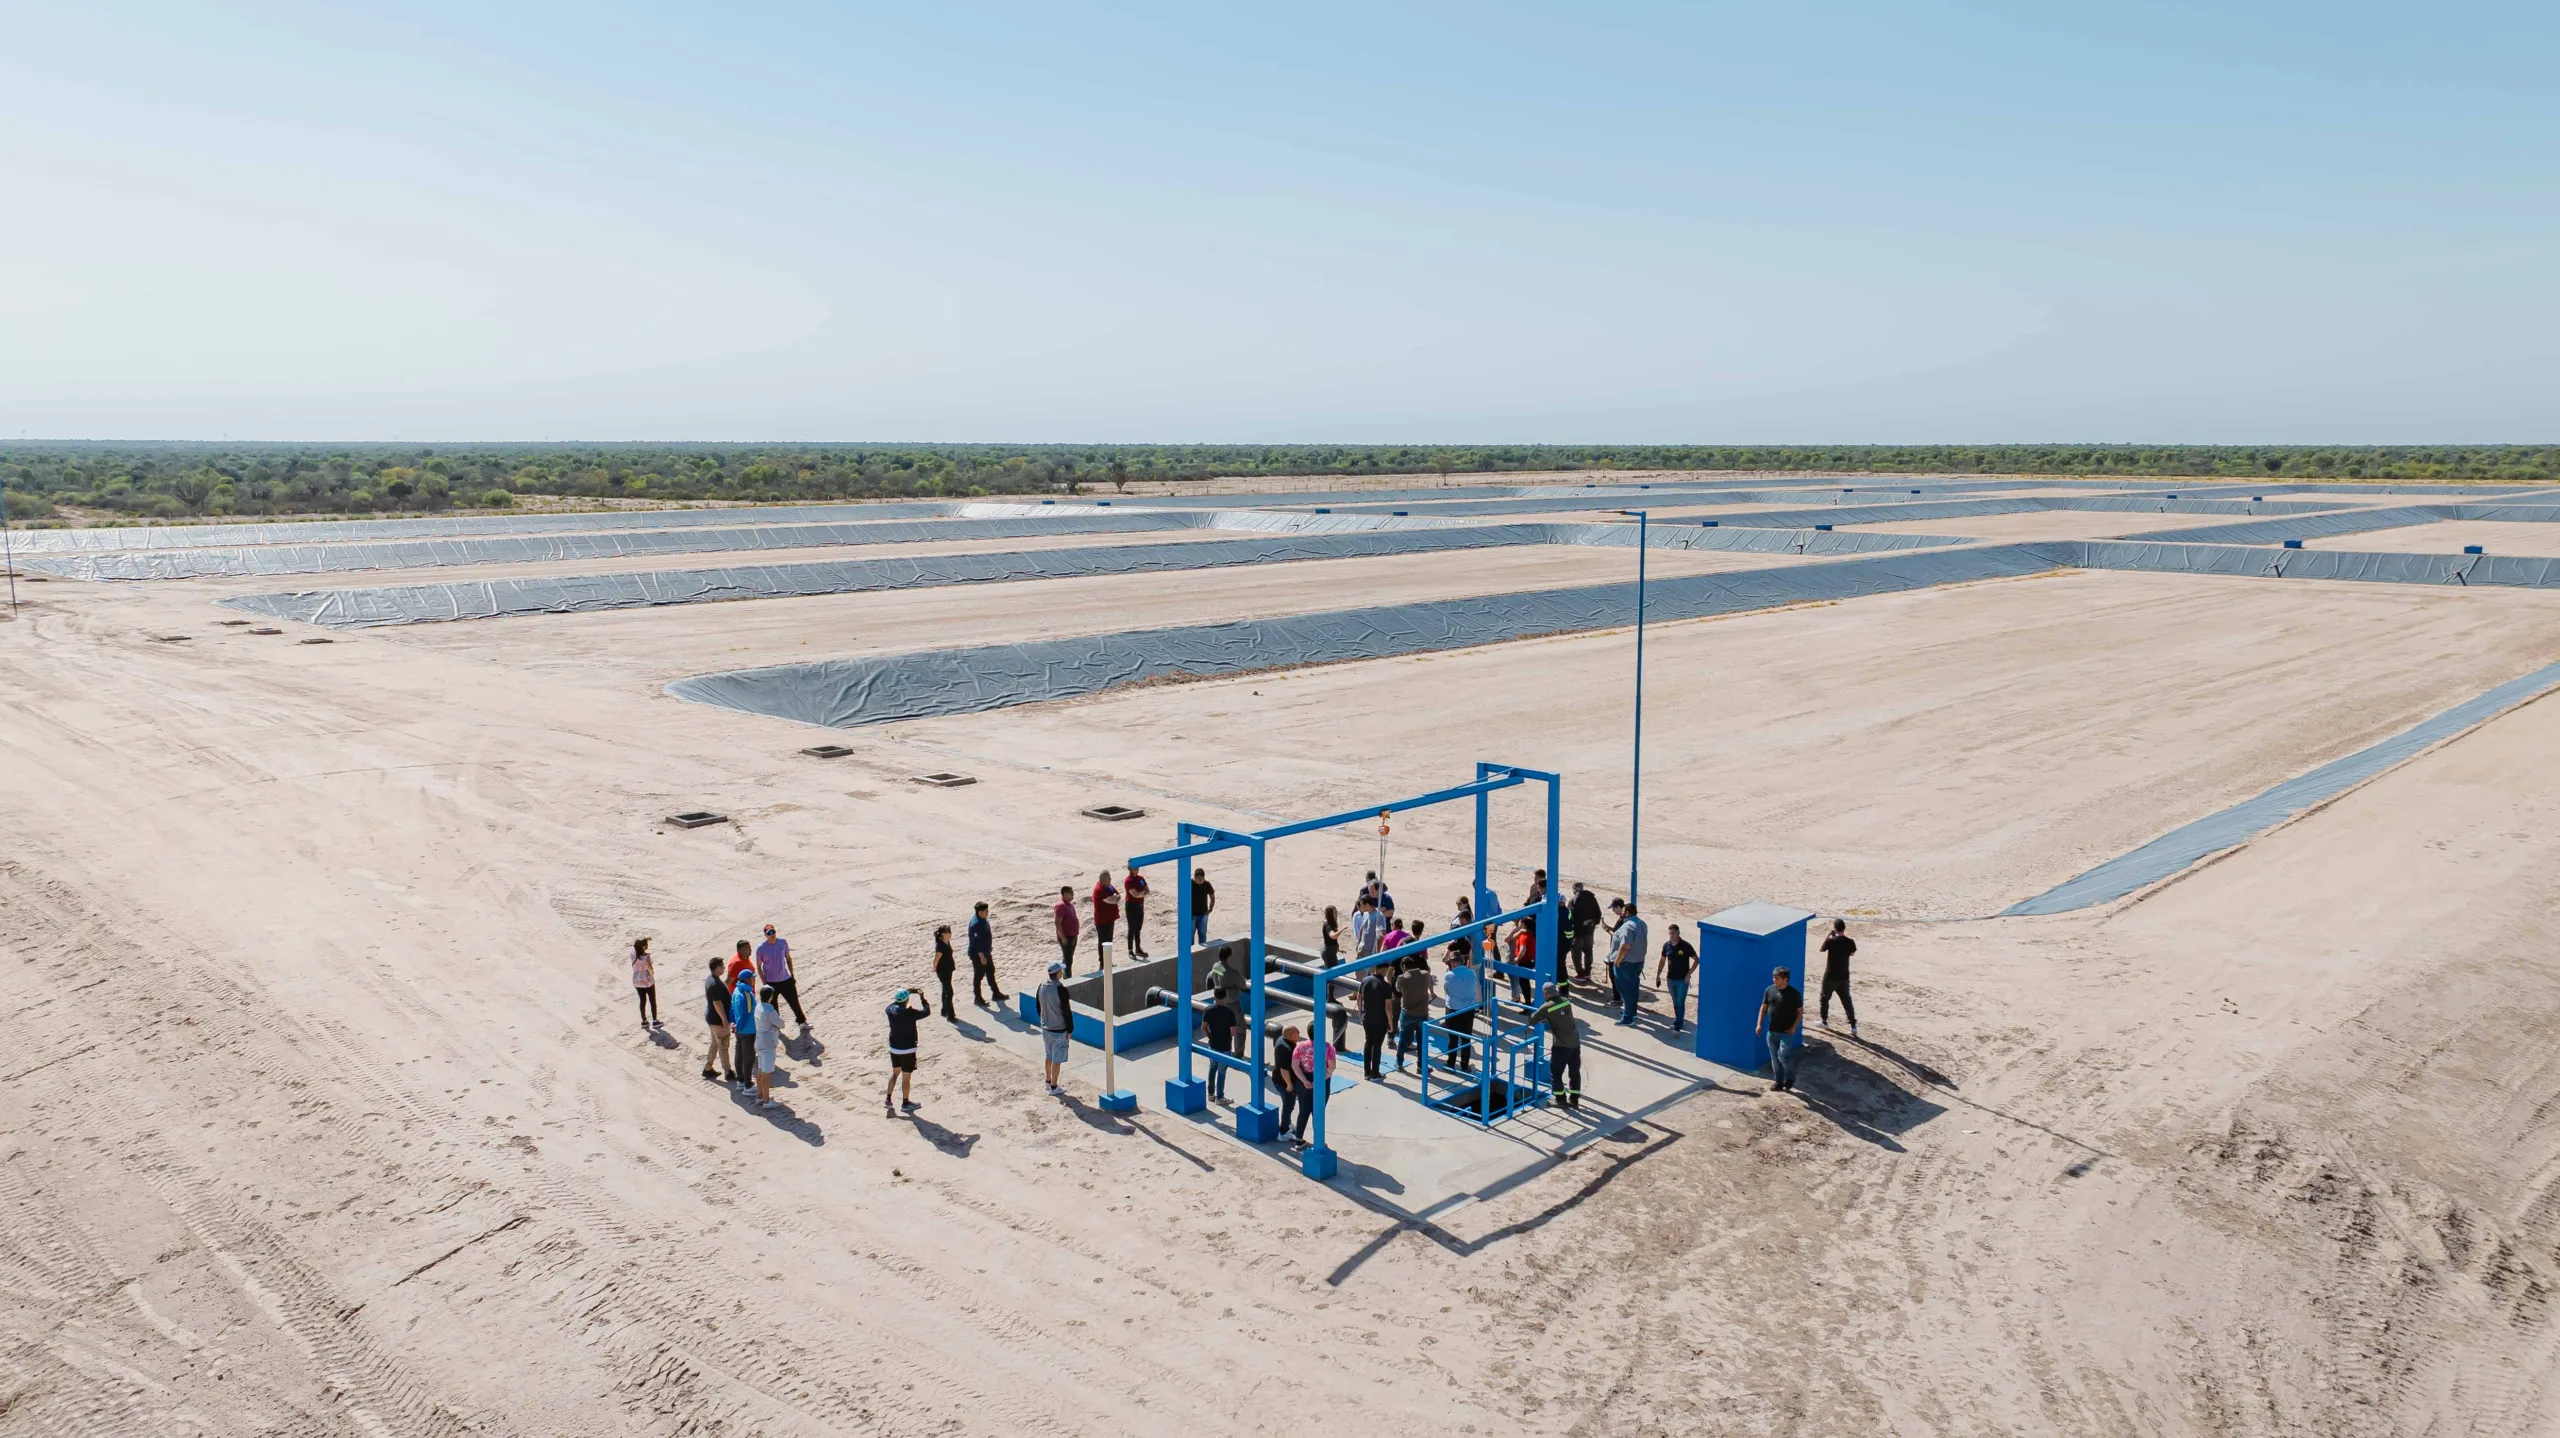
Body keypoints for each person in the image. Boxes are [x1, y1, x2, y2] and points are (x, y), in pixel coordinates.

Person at [1528, 983, 1582, 1110]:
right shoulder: (1566, 1002)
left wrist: (1539, 1015)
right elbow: (1561, 1015)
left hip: (1561, 1046)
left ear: (1545, 994)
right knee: (1574, 1072)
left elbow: (1532, 1020)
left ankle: (1560, 1100)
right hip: (1575, 1044)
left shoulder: (1546, 1007)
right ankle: (1574, 1100)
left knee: (1555, 1073)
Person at [884, 987, 930, 1114]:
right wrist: (922, 997)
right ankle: (905, 1102)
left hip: (894, 1048)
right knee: (906, 1077)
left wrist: (909, 991)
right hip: (907, 1050)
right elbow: (926, 1012)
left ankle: (888, 1099)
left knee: (894, 1073)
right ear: (907, 1000)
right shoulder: (910, 1013)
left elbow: (896, 1002)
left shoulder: (889, 1010)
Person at [1758, 965, 1804, 1093]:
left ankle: (1790, 1078)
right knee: (1774, 1057)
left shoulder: (1794, 994)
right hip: (1772, 1031)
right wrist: (1759, 1024)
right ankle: (1778, 1081)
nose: (1774, 980)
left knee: (1782, 1055)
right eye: (1773, 977)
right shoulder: (1769, 990)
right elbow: (1764, 1008)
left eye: (1777, 978)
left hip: (1786, 1033)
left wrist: (1794, 1027)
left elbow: (1799, 1012)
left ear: (1785, 979)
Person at [757, 925, 807, 1028]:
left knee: (794, 1001)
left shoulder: (782, 943)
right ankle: (776, 1027)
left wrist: (792, 974)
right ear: (765, 935)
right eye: (769, 933)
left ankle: (802, 1022)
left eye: (773, 932)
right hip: (771, 982)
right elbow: (759, 967)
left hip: (785, 979)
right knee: (773, 1006)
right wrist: (764, 982)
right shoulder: (761, 948)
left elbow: (788, 958)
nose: (772, 935)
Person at [1608, 901, 1649, 1026]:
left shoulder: (1628, 926)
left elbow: (1625, 946)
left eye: (1624, 911)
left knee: (1626, 990)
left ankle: (1628, 1017)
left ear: (1628, 913)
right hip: (1638, 961)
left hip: (1626, 963)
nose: (1622, 913)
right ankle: (1631, 1011)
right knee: (1633, 989)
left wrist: (1617, 961)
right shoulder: (1641, 923)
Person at [1291, 1028, 1335, 1142]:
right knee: (1318, 1112)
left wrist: (1304, 1080)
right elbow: (1331, 1067)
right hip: (1322, 1080)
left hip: (1303, 1080)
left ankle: (1299, 1138)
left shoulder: (1300, 1046)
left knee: (1303, 1110)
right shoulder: (1328, 1048)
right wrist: (1320, 1080)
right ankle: (1319, 1141)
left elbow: (1295, 1065)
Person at [1036, 961, 1071, 1096]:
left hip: (1046, 1028)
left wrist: (1045, 1019)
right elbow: (1067, 1012)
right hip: (1059, 1029)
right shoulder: (1061, 989)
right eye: (1060, 971)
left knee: (1049, 1055)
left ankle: (1048, 1081)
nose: (1062, 973)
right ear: (1057, 974)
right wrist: (1070, 1030)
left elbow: (1038, 1006)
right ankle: (1054, 1087)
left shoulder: (1041, 986)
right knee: (1057, 1059)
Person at [1442, 949, 1481, 1073]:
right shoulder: (1472, 973)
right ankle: (1464, 1065)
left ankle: (1450, 1063)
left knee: (1452, 1038)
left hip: (1453, 1009)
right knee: (1466, 1039)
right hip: (1468, 1010)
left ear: (1453, 963)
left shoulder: (1449, 976)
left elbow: (1446, 989)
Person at [1819, 919, 1859, 1036]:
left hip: (1831, 975)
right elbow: (1852, 953)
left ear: (1835, 928)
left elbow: (1821, 949)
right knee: (1846, 1001)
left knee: (1825, 998)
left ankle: (1824, 1021)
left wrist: (1828, 936)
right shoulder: (1850, 941)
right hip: (1844, 976)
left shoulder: (1831, 941)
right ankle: (1853, 1025)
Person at [1394, 956, 1433, 1072]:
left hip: (1407, 1013)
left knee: (1403, 1039)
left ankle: (1399, 1063)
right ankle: (1421, 1066)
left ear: (1403, 967)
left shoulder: (1402, 978)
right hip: (1422, 1013)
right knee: (1422, 1041)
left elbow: (1398, 989)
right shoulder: (1425, 974)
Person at [1656, 923, 1697, 1033]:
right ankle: (1679, 1019)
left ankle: (1678, 1024)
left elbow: (1696, 959)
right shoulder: (1667, 946)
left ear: (1678, 933)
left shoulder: (1685, 946)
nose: (1671, 935)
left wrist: (1689, 974)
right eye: (1670, 933)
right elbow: (1662, 960)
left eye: (1673, 933)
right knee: (1675, 1001)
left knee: (1680, 1001)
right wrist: (1658, 975)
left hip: (1682, 980)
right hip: (1670, 979)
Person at [1358, 963, 1395, 1080]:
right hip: (1380, 1020)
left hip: (1367, 1018)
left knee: (1368, 1043)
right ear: (1384, 970)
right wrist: (1391, 1023)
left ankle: (1367, 1072)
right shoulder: (1386, 986)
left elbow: (1359, 998)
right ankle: (1375, 1073)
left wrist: (1360, 1014)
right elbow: (1388, 1007)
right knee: (1377, 1046)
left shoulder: (1365, 981)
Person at [1272, 1024, 1308, 1144]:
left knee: (1289, 1104)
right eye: (1297, 1033)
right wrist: (1289, 1085)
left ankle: (1287, 1123)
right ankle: (1283, 1131)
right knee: (1288, 1105)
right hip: (1283, 1082)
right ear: (1292, 1035)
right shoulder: (1285, 1049)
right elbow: (1284, 1070)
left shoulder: (1282, 1040)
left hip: (1280, 1079)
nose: (1299, 1036)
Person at [1203, 984, 1238, 1102]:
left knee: (1212, 1068)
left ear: (1214, 996)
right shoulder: (1229, 1012)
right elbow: (1233, 1032)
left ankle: (1211, 1094)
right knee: (1222, 1072)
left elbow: (1204, 1027)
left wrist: (1210, 1036)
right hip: (1225, 1047)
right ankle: (1220, 1096)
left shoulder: (1208, 1010)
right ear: (1226, 996)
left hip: (1213, 1045)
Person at [701, 956, 733, 1082]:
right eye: (722, 966)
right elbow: (717, 1003)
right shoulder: (715, 984)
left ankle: (708, 1068)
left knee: (715, 1044)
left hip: (711, 1017)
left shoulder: (711, 980)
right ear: (717, 968)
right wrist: (724, 1020)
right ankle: (728, 1071)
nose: (724, 968)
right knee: (723, 1045)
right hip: (717, 1021)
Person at [728, 967, 759, 1093]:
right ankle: (748, 1085)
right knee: (749, 1057)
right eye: (752, 977)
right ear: (747, 979)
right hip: (747, 1030)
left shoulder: (736, 990)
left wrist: (734, 1023)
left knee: (739, 1054)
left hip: (739, 1029)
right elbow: (746, 1014)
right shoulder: (747, 994)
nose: (753, 980)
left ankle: (740, 1081)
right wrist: (739, 1026)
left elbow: (731, 1008)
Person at [967, 902, 1004, 1005]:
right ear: (980, 912)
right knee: (979, 975)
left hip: (986, 952)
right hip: (978, 955)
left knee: (990, 971)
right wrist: (982, 956)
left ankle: (996, 993)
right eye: (986, 911)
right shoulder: (976, 924)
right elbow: (976, 943)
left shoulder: (983, 920)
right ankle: (978, 998)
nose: (988, 913)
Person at [754, 985, 783, 1109]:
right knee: (766, 1074)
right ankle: (766, 1101)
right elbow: (781, 1024)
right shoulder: (770, 1011)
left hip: (759, 1042)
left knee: (760, 1071)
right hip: (768, 1044)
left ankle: (760, 1096)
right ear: (770, 997)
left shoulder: (758, 1007)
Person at [1569, 883, 1603, 983]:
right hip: (1589, 930)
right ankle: (1588, 971)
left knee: (1576, 953)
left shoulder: (1573, 900)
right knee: (1588, 951)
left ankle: (1580, 973)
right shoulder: (1592, 898)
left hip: (1577, 932)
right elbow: (1598, 913)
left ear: (1574, 890)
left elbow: (1570, 917)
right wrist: (1592, 922)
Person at [631, 938, 658, 1030]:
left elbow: (636, 947)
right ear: (643, 947)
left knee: (642, 1001)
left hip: (637, 982)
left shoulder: (633, 955)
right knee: (652, 1000)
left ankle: (644, 1021)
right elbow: (651, 972)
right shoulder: (646, 958)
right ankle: (655, 1021)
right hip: (648, 982)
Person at [1052, 886, 1080, 976]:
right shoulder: (1060, 905)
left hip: (1073, 935)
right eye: (1071, 893)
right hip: (1066, 937)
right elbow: (1057, 923)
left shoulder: (1070, 904)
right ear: (1065, 894)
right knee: (1068, 960)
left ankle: (1065, 974)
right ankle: (1067, 977)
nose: (1073, 895)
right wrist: (1063, 937)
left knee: (1068, 958)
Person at [1091, 871, 1120, 959]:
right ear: (1103, 880)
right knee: (1103, 943)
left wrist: (1114, 897)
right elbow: (1111, 900)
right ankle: (1102, 962)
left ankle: (1108, 961)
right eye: (1109, 878)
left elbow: (1118, 896)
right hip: (1102, 922)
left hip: (1110, 920)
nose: (1110, 880)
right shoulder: (1099, 890)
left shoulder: (1109, 887)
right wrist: (1114, 897)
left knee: (1109, 942)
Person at [931, 924, 958, 1018]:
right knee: (949, 991)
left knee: (945, 990)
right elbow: (937, 958)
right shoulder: (940, 945)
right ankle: (951, 1014)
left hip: (949, 969)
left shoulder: (947, 942)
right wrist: (934, 967)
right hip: (942, 971)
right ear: (942, 934)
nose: (949, 934)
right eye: (947, 932)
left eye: (949, 932)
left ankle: (944, 1010)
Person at [1124, 867, 1150, 959]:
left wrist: (1141, 893)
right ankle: (1130, 950)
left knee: (1138, 927)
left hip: (1140, 905)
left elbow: (1148, 891)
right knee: (1131, 928)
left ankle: (1138, 948)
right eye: (1134, 868)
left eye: (1137, 868)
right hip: (1131, 906)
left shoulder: (1141, 879)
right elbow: (1135, 894)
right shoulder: (1128, 881)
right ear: (1130, 869)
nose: (1136, 870)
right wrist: (1142, 892)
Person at [1190, 867, 1216, 943]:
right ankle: (1192, 952)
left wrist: (1210, 909)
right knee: (1190, 935)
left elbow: (1212, 896)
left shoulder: (1206, 884)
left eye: (1202, 878)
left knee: (1202, 934)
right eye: (1199, 879)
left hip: (1203, 914)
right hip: (1192, 915)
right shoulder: (1189, 884)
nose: (1200, 881)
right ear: (1195, 877)